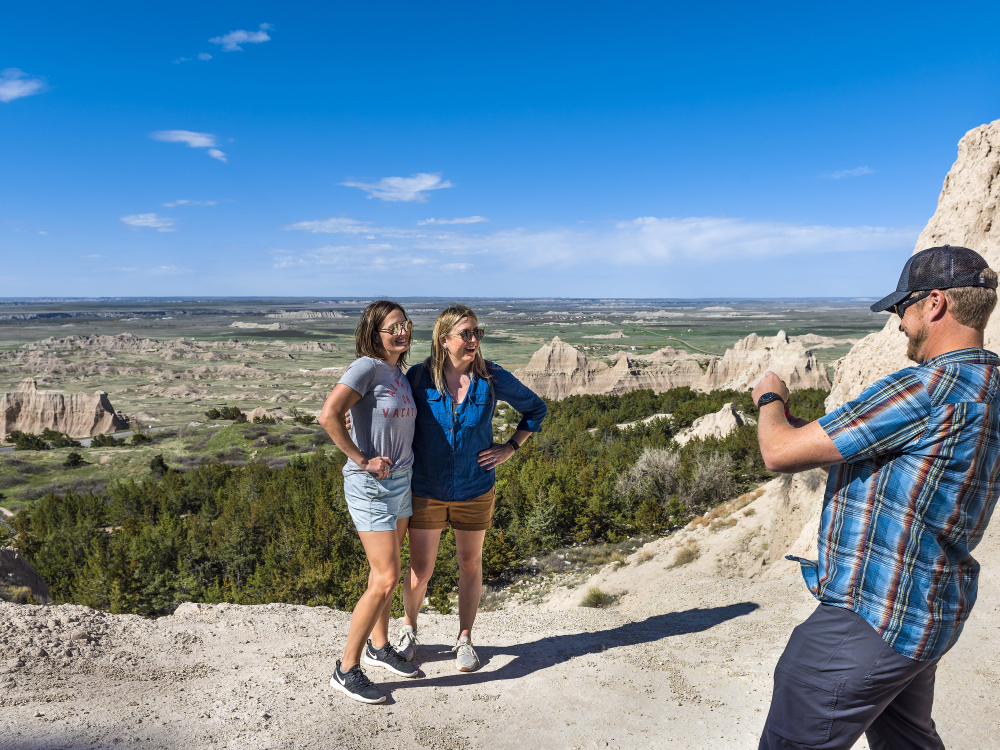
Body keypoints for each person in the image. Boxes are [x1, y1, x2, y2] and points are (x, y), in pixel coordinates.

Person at [753, 245, 1000, 749]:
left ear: (933, 303)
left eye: (900, 308)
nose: (899, 323)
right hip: (926, 611)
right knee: (908, 740)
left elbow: (777, 452)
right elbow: (888, 450)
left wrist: (769, 397)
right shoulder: (989, 386)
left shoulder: (926, 388)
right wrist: (811, 436)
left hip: (871, 614)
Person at [391, 304, 547, 672]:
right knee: (420, 568)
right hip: (427, 488)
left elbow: (535, 410)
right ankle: (409, 629)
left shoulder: (491, 377)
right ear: (444, 340)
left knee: (469, 563)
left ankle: (465, 638)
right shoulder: (418, 378)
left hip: (475, 489)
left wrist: (511, 447)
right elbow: (385, 407)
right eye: (467, 334)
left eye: (478, 332)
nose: (474, 340)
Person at [319, 300, 419, 705]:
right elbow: (329, 415)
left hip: (402, 484)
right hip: (372, 487)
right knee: (386, 577)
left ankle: (379, 645)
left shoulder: (399, 373)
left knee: (384, 572)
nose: (402, 332)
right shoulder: (366, 367)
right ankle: (346, 669)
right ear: (373, 334)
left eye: (405, 325)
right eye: (392, 327)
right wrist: (361, 458)